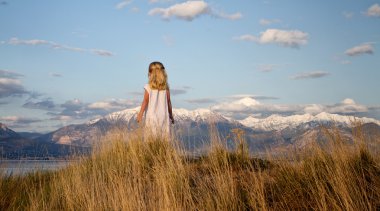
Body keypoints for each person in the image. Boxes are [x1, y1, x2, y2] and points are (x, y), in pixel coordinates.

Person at [137, 61, 174, 140]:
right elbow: (168, 102)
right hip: (164, 116)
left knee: (151, 138)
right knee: (164, 138)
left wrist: (140, 114)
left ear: (151, 74)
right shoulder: (166, 87)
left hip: (152, 116)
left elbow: (145, 101)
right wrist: (171, 115)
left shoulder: (148, 87)